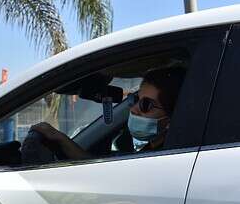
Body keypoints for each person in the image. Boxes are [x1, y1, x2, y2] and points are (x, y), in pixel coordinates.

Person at [30, 67, 186, 159]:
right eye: (134, 99)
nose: (133, 109)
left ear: (173, 116)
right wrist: (60, 138)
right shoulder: (154, 149)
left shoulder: (165, 157)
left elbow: (106, 176)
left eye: (145, 105)